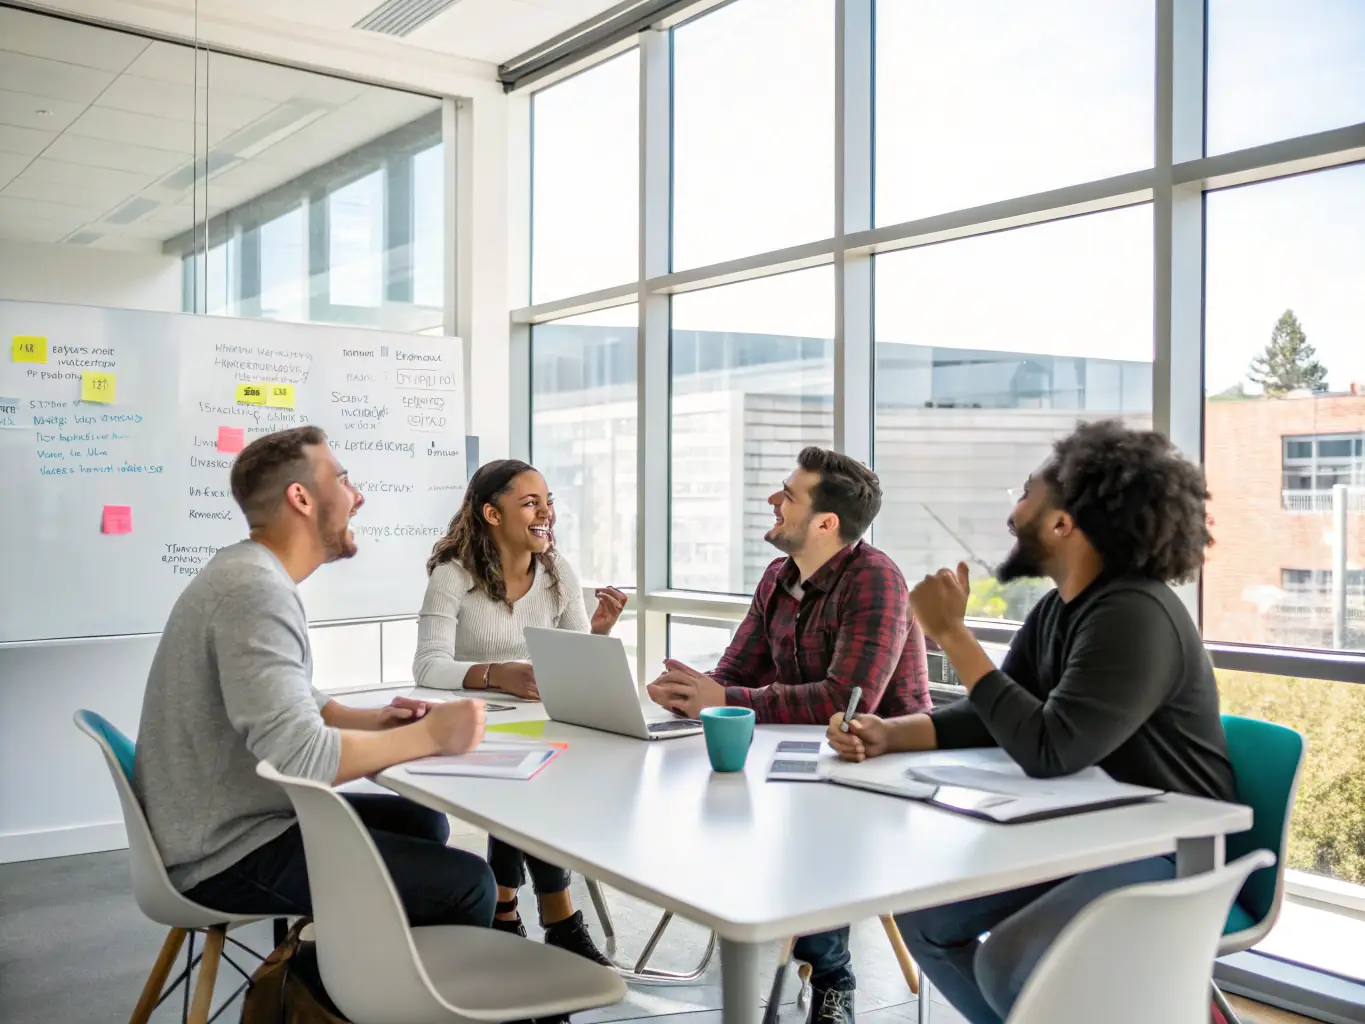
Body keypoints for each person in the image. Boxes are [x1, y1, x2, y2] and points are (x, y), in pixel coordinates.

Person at [826, 420, 1236, 1024]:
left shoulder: (1135, 615)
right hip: (1088, 831)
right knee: (928, 918)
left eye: (1024, 496)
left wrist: (951, 634)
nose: (1012, 514)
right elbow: (994, 712)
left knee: (1008, 963)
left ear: (1062, 524)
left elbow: (1050, 748)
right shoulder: (1058, 610)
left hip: (1173, 846)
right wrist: (892, 733)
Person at [135, 425, 495, 932]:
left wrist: (373, 720)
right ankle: (349, 978)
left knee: (423, 823)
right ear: (301, 498)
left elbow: (291, 696)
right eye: (343, 479)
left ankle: (337, 965)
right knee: (469, 883)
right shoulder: (256, 592)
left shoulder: (244, 570)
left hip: (220, 822)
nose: (358, 496)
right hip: (224, 852)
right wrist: (432, 736)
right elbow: (303, 761)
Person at [647, 446, 930, 1024]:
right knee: (713, 801)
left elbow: (843, 701)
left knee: (809, 826)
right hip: (799, 757)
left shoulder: (875, 579)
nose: (773, 500)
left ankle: (833, 980)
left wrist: (724, 699)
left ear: (826, 523)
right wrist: (690, 692)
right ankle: (767, 943)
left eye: (789, 495)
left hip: (881, 763)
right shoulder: (778, 578)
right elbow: (737, 673)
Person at [413, 458, 628, 964]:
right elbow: (427, 665)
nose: (546, 513)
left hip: (538, 730)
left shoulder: (558, 574)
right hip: (474, 733)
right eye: (531, 503)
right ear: (492, 514)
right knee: (533, 778)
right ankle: (559, 917)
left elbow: (573, 660)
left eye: (548, 502)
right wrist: (495, 673)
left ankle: (506, 908)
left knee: (536, 771)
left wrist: (598, 633)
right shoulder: (453, 576)